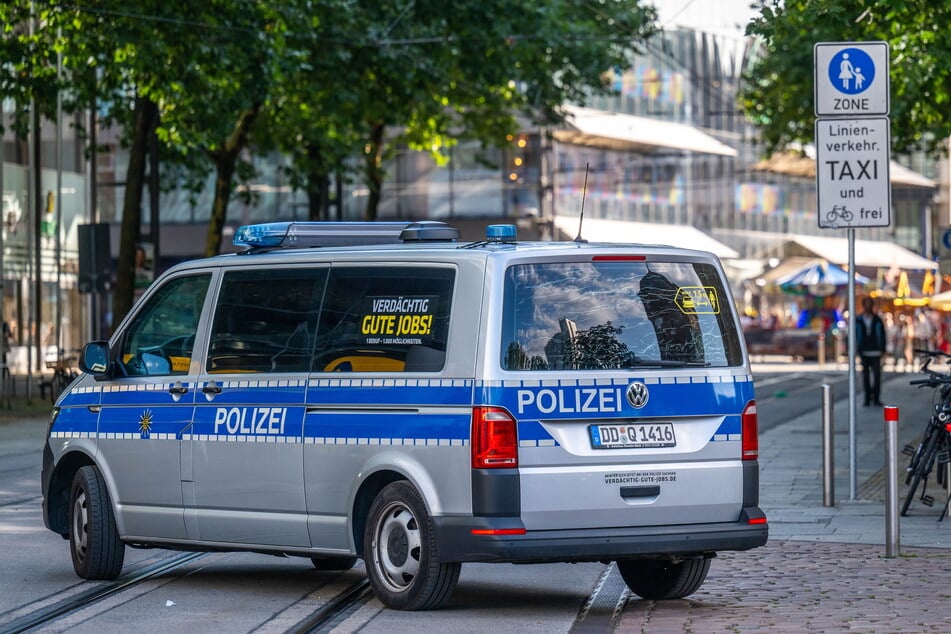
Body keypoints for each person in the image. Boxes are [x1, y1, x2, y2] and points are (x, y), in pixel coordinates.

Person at [856, 296, 886, 406]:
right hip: (864, 351)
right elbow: (855, 335)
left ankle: (876, 397)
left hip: (876, 351)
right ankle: (867, 397)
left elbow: (882, 335)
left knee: (877, 375)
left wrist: (883, 349)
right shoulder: (858, 319)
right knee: (866, 376)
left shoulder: (877, 319)